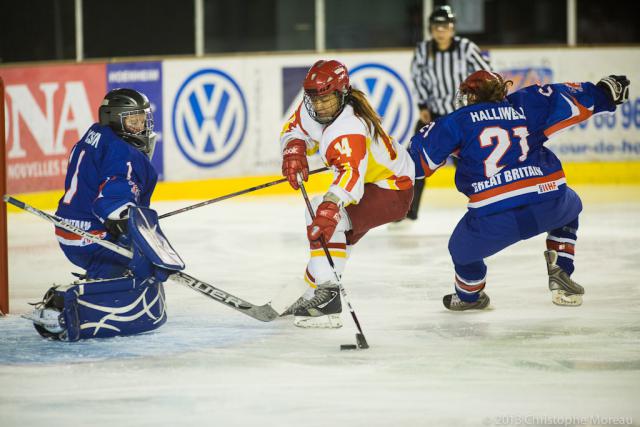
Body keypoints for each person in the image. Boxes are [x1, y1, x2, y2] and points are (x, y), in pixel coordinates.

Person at [409, 71, 630, 310]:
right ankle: (561, 268)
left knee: (460, 250)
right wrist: (605, 93)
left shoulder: (456, 120)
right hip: (548, 201)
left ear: (470, 97)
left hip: (494, 218)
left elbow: (417, 163)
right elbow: (571, 99)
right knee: (571, 206)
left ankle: (469, 295)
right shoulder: (526, 103)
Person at [27, 88, 184, 340]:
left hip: (70, 228)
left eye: (142, 120)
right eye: (133, 121)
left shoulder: (96, 135)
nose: (141, 127)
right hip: (91, 235)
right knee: (142, 270)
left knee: (132, 260)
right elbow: (112, 203)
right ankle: (64, 307)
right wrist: (141, 239)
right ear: (115, 119)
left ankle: (100, 277)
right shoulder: (125, 153)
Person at [280, 59, 415, 327]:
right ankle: (314, 296)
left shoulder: (348, 127)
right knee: (336, 241)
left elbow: (349, 176)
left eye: (326, 99)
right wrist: (294, 148)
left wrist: (331, 208)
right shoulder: (316, 108)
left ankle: (327, 300)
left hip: (392, 190)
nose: (319, 106)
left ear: (342, 93)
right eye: (314, 99)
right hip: (373, 183)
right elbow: (294, 128)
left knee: (323, 217)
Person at [400, 5, 492, 224]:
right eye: (437, 26)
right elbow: (417, 78)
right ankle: (407, 210)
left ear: (452, 28)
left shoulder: (467, 48)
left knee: (470, 166)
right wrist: (422, 105)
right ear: (431, 29)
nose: (441, 30)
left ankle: (486, 204)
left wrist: (477, 102)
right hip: (433, 117)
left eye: (446, 26)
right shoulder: (423, 50)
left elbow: (485, 75)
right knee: (414, 160)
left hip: (463, 118)